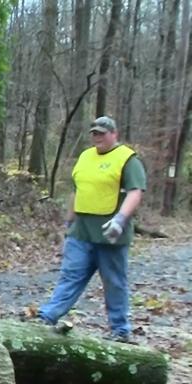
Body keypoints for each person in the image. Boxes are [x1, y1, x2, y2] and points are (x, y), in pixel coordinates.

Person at [37, 116, 147, 342]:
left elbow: (136, 191)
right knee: (70, 275)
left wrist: (120, 219)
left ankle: (120, 330)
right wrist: (68, 224)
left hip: (110, 234)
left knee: (114, 282)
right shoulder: (85, 157)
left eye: (102, 133)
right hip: (81, 231)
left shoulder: (127, 159)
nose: (98, 137)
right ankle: (47, 316)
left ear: (114, 134)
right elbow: (77, 191)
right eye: (95, 133)